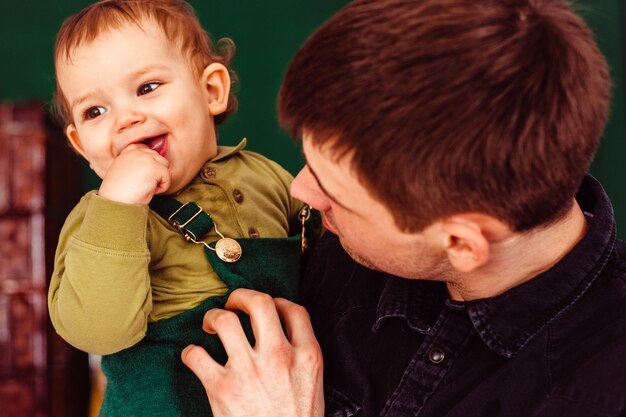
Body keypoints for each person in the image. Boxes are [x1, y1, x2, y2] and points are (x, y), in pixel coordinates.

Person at [181, 0, 626, 416]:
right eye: (310, 161)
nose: (301, 191)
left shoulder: (597, 392)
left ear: (461, 243)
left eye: (336, 193)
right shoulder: (334, 251)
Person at [47, 1, 316, 416]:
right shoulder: (98, 218)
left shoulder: (266, 177)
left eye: (147, 88)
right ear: (82, 144)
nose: (125, 119)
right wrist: (119, 205)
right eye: (95, 111)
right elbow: (97, 332)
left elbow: (330, 260)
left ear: (211, 91)